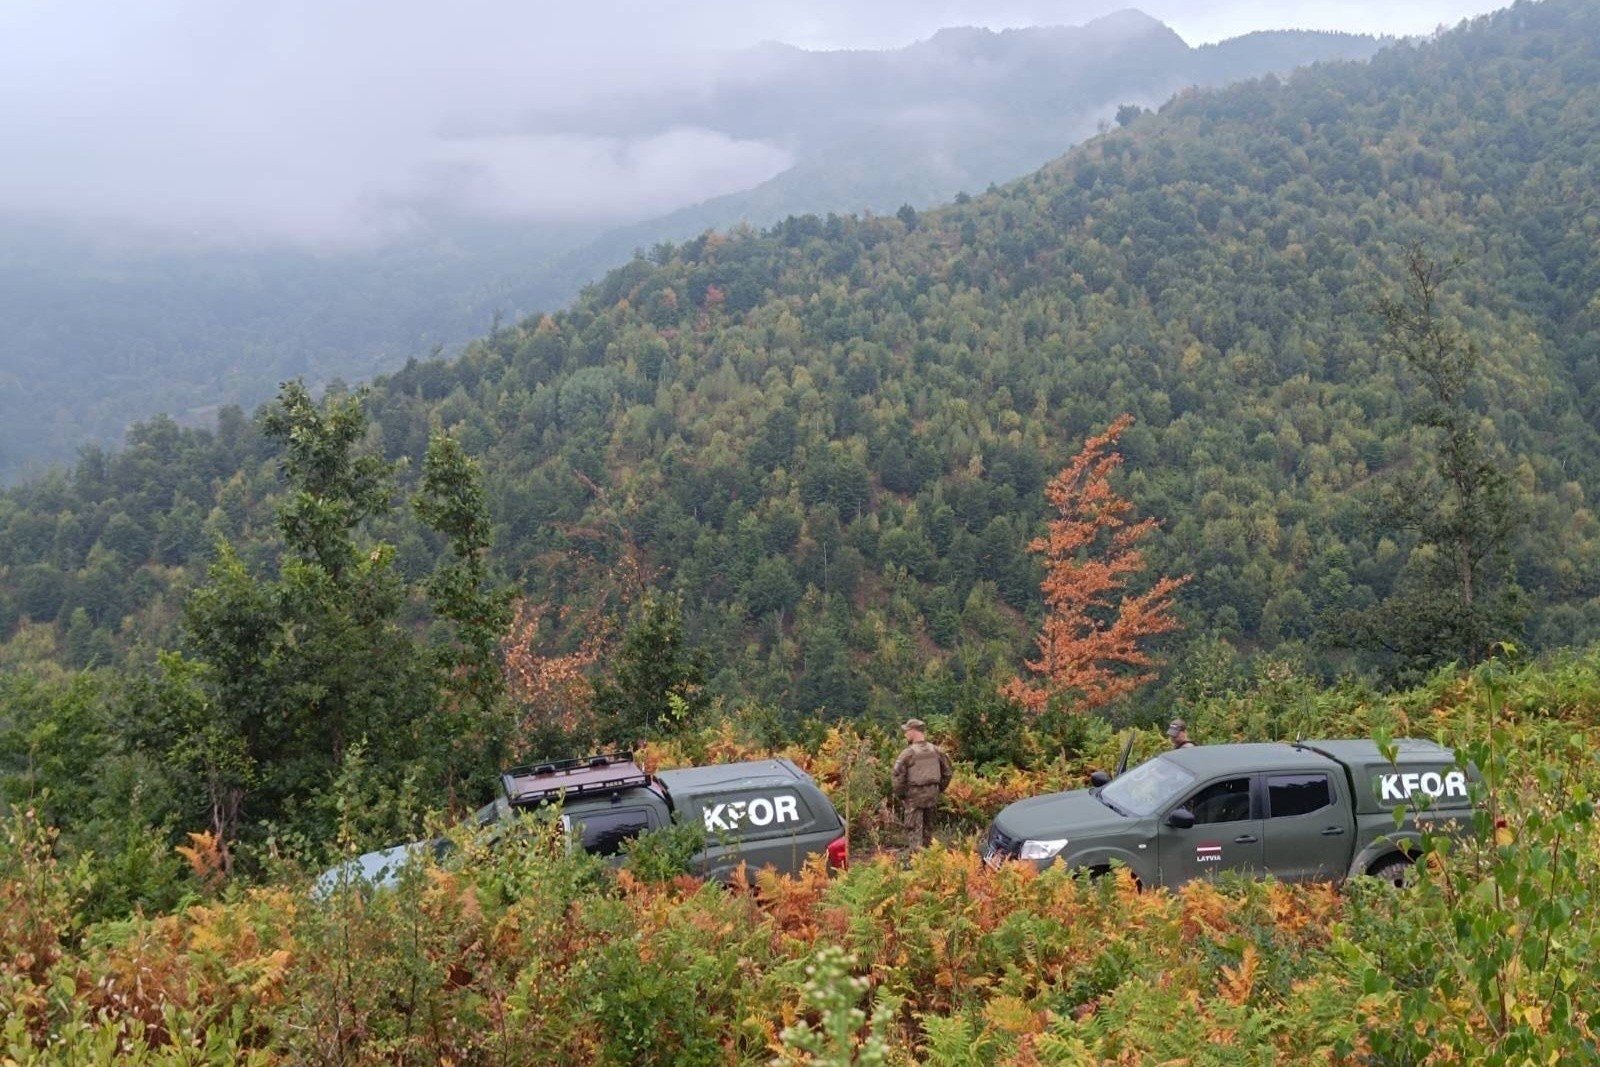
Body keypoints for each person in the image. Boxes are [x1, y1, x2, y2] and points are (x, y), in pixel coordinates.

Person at [892, 718, 953, 851]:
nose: (905, 734)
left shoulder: (908, 753)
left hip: (914, 797)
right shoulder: (936, 750)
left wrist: (902, 796)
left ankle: (916, 862)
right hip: (932, 795)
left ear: (914, 731)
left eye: (907, 731)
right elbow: (948, 772)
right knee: (928, 829)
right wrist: (939, 789)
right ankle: (928, 861)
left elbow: (897, 777)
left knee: (914, 829)